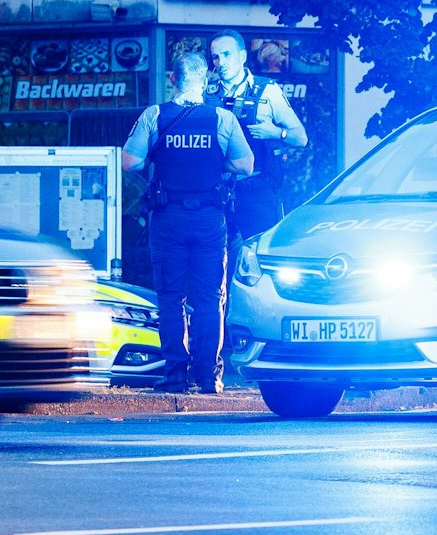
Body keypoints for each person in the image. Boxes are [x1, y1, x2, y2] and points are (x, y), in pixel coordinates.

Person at [123, 52, 254, 394]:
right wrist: (217, 165)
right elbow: (246, 165)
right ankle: (209, 377)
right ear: (205, 82)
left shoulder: (155, 115)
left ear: (172, 80)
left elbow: (130, 162)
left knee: (171, 297)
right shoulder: (222, 118)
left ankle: (175, 377)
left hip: (168, 219)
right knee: (210, 298)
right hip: (210, 219)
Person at [204, 31, 308, 255]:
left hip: (256, 190)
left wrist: (276, 132)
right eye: (215, 57)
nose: (221, 62)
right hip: (215, 192)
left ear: (242, 56)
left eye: (227, 54)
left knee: (262, 255)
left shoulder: (267, 90)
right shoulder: (206, 94)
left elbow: (300, 138)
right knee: (214, 260)